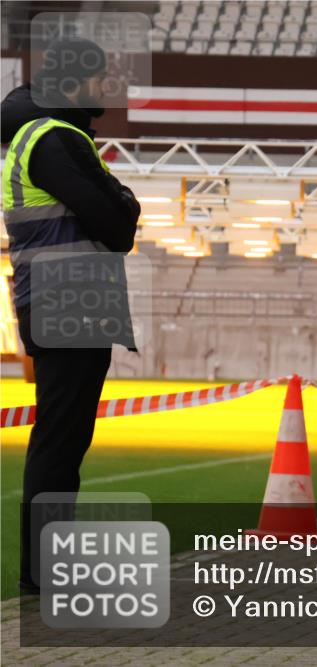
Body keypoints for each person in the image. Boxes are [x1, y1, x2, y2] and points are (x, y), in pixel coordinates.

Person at [1, 38, 140, 594]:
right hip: (69, 298)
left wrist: (118, 199)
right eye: (99, 77)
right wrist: (123, 198)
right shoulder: (57, 139)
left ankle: (48, 567)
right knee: (61, 439)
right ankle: (46, 572)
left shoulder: (42, 133)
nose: (106, 87)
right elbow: (119, 223)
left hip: (57, 297)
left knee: (62, 436)